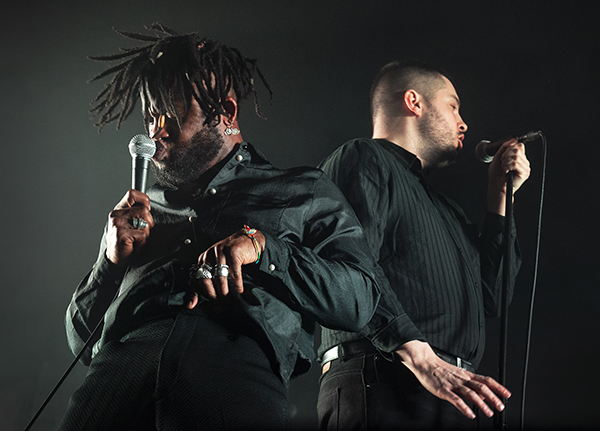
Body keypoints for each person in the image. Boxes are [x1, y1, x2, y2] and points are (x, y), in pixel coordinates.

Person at [60, 23, 379, 431]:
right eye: (150, 116)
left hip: (232, 373)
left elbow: (358, 300)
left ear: (225, 112)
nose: (155, 131)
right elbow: (79, 339)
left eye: (171, 113)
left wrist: (265, 249)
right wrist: (110, 261)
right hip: (117, 374)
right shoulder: (140, 210)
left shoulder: (302, 189)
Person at [317, 60, 531, 430]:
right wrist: (421, 358)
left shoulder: (446, 209)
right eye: (453, 105)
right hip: (386, 380)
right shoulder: (364, 158)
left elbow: (493, 297)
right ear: (414, 102)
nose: (463, 123)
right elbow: (352, 268)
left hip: (453, 392)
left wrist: (501, 194)